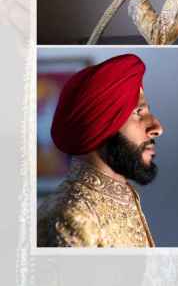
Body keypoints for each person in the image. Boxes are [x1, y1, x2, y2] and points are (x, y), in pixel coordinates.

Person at [38, 54, 163, 247]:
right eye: (139, 112)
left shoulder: (126, 197)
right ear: (101, 125)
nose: (157, 128)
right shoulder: (69, 216)